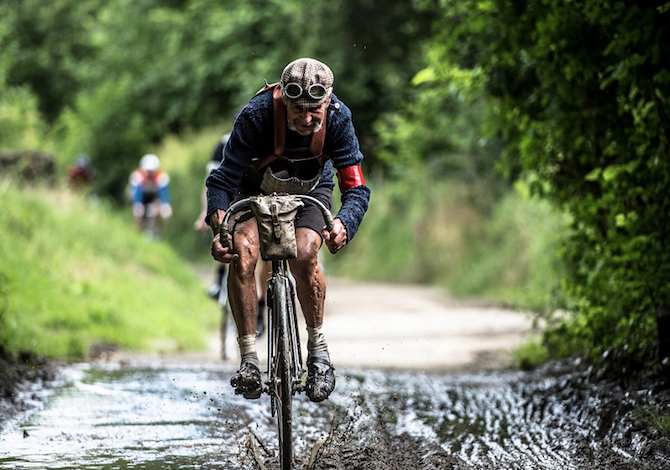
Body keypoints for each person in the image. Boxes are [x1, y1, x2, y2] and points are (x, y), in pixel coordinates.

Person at [205, 58, 371, 402]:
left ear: (328, 101)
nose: (307, 119)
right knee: (243, 252)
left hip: (311, 189)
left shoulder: (339, 117)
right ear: (283, 98)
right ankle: (250, 359)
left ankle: (318, 351)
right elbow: (221, 181)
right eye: (298, 111)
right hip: (252, 189)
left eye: (316, 111)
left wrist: (344, 223)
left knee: (306, 251)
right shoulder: (256, 115)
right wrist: (219, 228)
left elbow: (355, 188)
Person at [129, 154, 172, 234]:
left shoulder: (161, 176)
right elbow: (136, 194)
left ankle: (156, 231)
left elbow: (164, 193)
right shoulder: (137, 176)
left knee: (159, 212)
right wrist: (137, 205)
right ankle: (138, 232)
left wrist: (165, 206)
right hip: (140, 198)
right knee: (138, 214)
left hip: (154, 198)